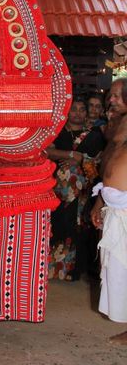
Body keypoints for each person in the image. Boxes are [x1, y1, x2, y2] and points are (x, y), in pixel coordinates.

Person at [47, 97, 106, 281]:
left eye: (82, 109)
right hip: (56, 192)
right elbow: (47, 151)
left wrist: (81, 160)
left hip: (82, 194)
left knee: (77, 228)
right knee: (57, 225)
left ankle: (74, 271)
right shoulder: (57, 132)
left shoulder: (95, 136)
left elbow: (99, 161)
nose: (78, 113)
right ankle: (52, 270)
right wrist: (73, 154)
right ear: (67, 112)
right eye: (74, 109)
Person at [91, 78, 127, 345]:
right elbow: (108, 164)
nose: (110, 101)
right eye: (110, 96)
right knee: (118, 271)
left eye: (116, 96)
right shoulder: (115, 126)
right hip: (114, 207)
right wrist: (99, 201)